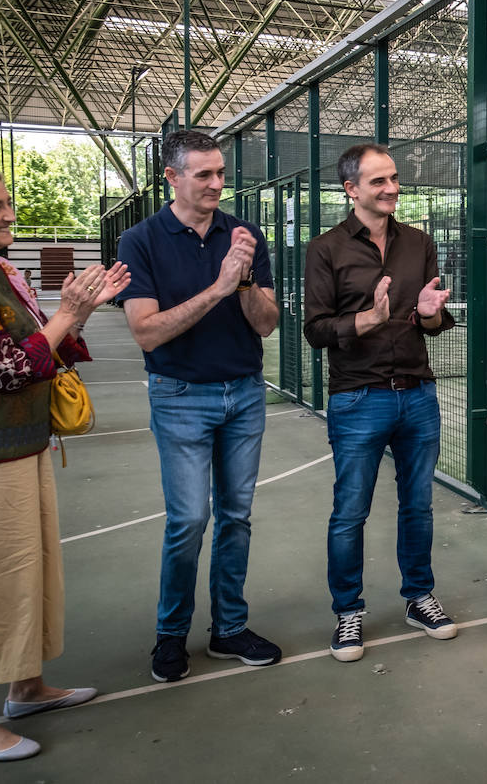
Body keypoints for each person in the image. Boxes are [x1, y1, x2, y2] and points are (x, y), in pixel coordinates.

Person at [0, 156, 128, 761]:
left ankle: (27, 686)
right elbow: (6, 366)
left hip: (20, 443)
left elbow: (42, 343)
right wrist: (67, 313)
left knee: (27, 571)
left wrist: (74, 311)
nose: (10, 214)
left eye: (7, 203)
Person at [115, 130, 281, 683]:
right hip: (180, 396)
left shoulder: (245, 234)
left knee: (237, 516)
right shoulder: (141, 241)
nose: (216, 183)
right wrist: (218, 285)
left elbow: (267, 323)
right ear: (172, 177)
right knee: (188, 520)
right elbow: (146, 333)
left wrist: (243, 283)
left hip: (244, 392)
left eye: (220, 172)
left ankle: (229, 628)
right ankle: (171, 634)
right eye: (203, 174)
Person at [303, 144, 458, 662]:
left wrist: (432, 313)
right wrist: (364, 321)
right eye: (378, 181)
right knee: (350, 512)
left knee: (418, 506)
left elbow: (432, 323)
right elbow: (315, 329)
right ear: (351, 190)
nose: (391, 188)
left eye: (393, 179)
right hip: (357, 398)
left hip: (418, 394)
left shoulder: (419, 243)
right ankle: (348, 611)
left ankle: (418, 597)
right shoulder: (325, 249)